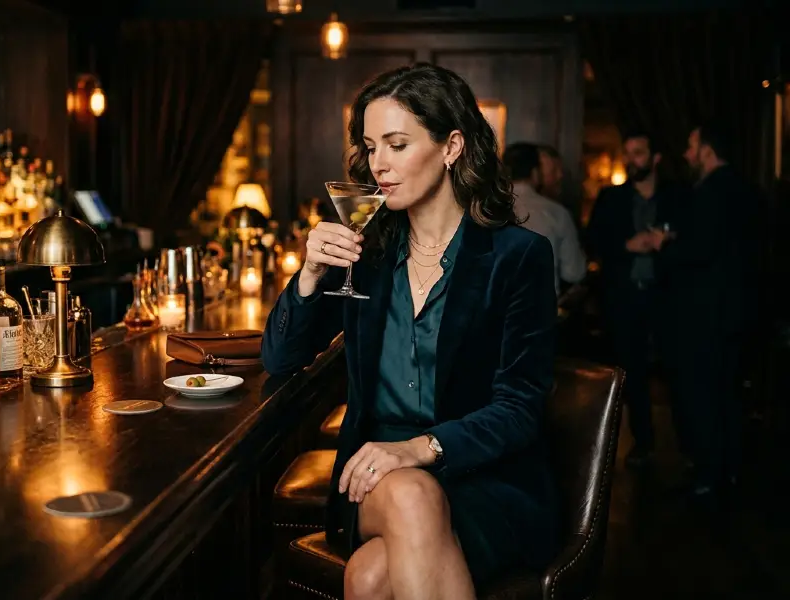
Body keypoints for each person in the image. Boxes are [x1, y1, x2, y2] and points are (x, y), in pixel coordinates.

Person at [262, 63, 560, 600]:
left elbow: (520, 409)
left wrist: (419, 449)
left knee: (370, 577)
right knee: (408, 497)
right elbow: (281, 358)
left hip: (485, 482)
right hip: (375, 483)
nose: (378, 165)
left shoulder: (519, 258)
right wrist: (308, 275)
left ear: (451, 147)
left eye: (397, 145)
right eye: (371, 147)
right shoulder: (366, 253)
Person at [652, 121, 759, 502]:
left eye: (691, 146)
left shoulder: (711, 192)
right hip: (734, 310)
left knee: (702, 394)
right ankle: (726, 473)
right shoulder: (744, 189)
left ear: (708, 151)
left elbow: (702, 251)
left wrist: (665, 245)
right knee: (725, 393)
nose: (686, 153)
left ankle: (708, 477)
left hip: (705, 313)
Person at [585, 131, 685, 468]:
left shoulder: (678, 196)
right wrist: (628, 246)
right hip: (625, 298)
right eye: (627, 153)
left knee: (677, 370)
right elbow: (594, 241)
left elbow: (698, 238)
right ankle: (643, 443)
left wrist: (669, 238)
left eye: (638, 153)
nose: (631, 160)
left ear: (655, 158)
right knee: (632, 373)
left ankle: (688, 448)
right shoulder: (611, 198)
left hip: (669, 296)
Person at [503, 141, 586, 296]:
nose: (559, 176)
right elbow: (574, 272)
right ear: (536, 173)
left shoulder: (481, 209)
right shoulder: (555, 212)